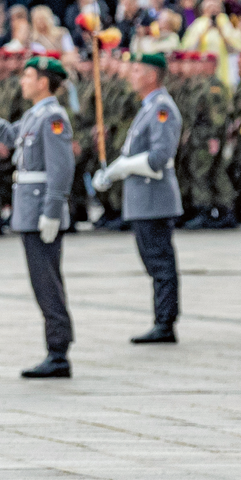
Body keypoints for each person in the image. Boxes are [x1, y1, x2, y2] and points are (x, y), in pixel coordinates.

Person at [0, 56, 76, 377]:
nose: (22, 82)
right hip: (30, 211)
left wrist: (52, 211)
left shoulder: (53, 117)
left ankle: (58, 352)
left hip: (40, 212)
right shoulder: (35, 114)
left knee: (47, 284)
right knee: (43, 283)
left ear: (43, 82)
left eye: (28, 76)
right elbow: (9, 135)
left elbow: (61, 169)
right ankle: (56, 348)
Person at [92, 52, 184, 342]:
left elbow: (159, 157)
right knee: (154, 262)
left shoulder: (161, 109)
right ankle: (162, 319)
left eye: (136, 70)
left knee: (160, 263)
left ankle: (165, 323)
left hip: (153, 199)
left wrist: (122, 168)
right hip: (143, 199)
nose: (130, 74)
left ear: (152, 75)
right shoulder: (148, 107)